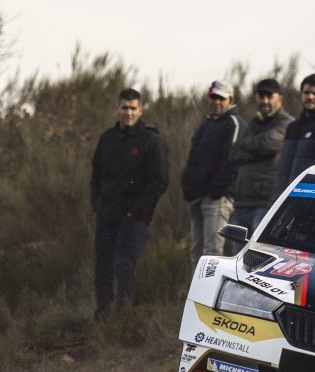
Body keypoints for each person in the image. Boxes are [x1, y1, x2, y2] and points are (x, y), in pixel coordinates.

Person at [90, 88, 168, 319]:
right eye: (124, 107)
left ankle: (124, 320)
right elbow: (96, 173)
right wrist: (96, 203)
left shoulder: (151, 140)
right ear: (118, 108)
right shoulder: (107, 138)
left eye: (133, 108)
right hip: (107, 215)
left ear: (140, 110)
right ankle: (103, 317)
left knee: (125, 267)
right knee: (103, 267)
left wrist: (138, 211)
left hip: (133, 219)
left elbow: (159, 181)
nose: (128, 112)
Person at [181, 80, 245, 265]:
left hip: (217, 199)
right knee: (196, 253)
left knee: (212, 253)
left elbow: (231, 161)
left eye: (221, 98)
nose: (217, 102)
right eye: (214, 97)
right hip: (197, 197)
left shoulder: (234, 123)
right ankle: (195, 285)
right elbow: (192, 157)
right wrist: (187, 186)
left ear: (230, 99)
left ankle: (211, 286)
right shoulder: (206, 124)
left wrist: (216, 191)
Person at [227, 78, 293, 252]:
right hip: (241, 203)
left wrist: (247, 146)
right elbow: (234, 153)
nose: (264, 101)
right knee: (236, 261)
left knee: (259, 258)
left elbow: (267, 143)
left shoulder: (287, 123)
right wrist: (255, 148)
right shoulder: (254, 122)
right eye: (261, 96)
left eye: (269, 96)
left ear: (280, 98)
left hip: (265, 203)